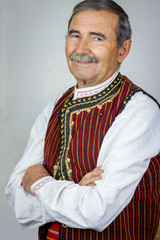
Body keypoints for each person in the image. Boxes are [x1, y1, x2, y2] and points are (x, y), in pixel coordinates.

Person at [5, 0, 160, 239]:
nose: (81, 49)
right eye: (75, 35)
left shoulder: (139, 110)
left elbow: (95, 211)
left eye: (97, 38)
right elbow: (16, 195)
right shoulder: (57, 103)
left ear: (123, 50)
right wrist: (77, 191)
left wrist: (40, 183)